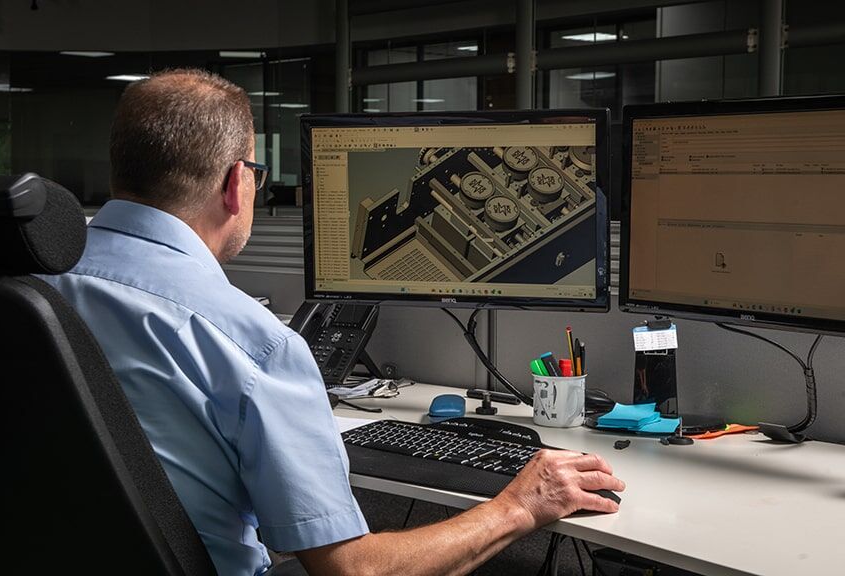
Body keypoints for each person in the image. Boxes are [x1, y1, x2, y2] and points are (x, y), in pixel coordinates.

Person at [42, 68, 625, 576]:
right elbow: (354, 571)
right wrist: (518, 506)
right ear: (236, 184)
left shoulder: (30, 292)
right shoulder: (251, 345)